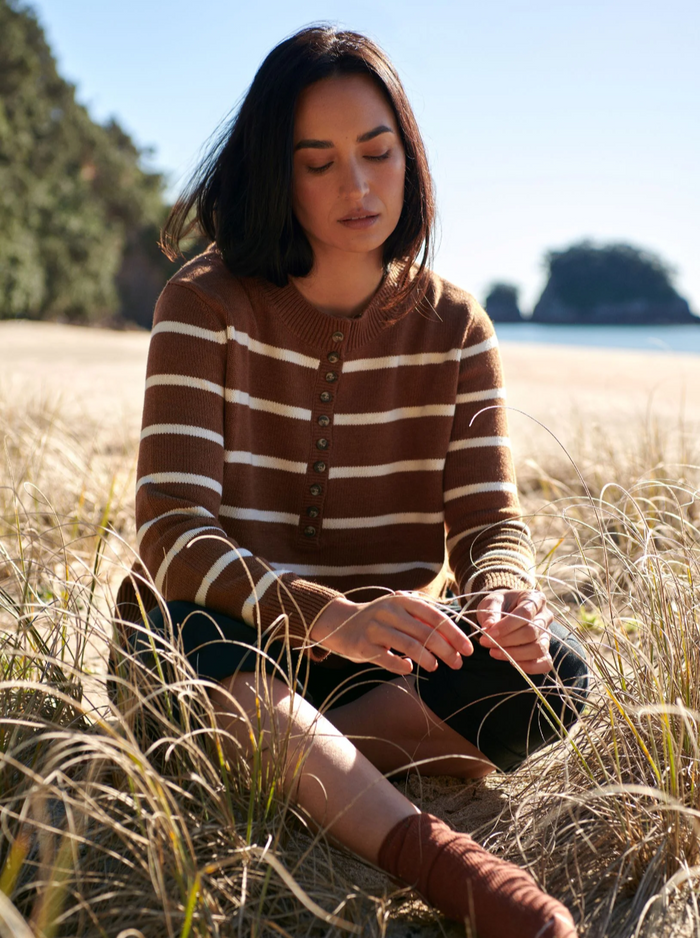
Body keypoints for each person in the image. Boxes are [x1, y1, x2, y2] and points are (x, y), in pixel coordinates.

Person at [114, 25, 588, 938]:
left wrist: (504, 597)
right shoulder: (204, 303)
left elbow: (490, 521)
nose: (358, 188)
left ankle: (303, 767)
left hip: (376, 665)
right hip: (223, 643)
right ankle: (438, 860)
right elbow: (171, 527)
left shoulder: (455, 325)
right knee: (215, 656)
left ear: (409, 156)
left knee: (552, 676)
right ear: (274, 173)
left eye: (378, 153)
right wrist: (327, 615)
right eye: (318, 163)